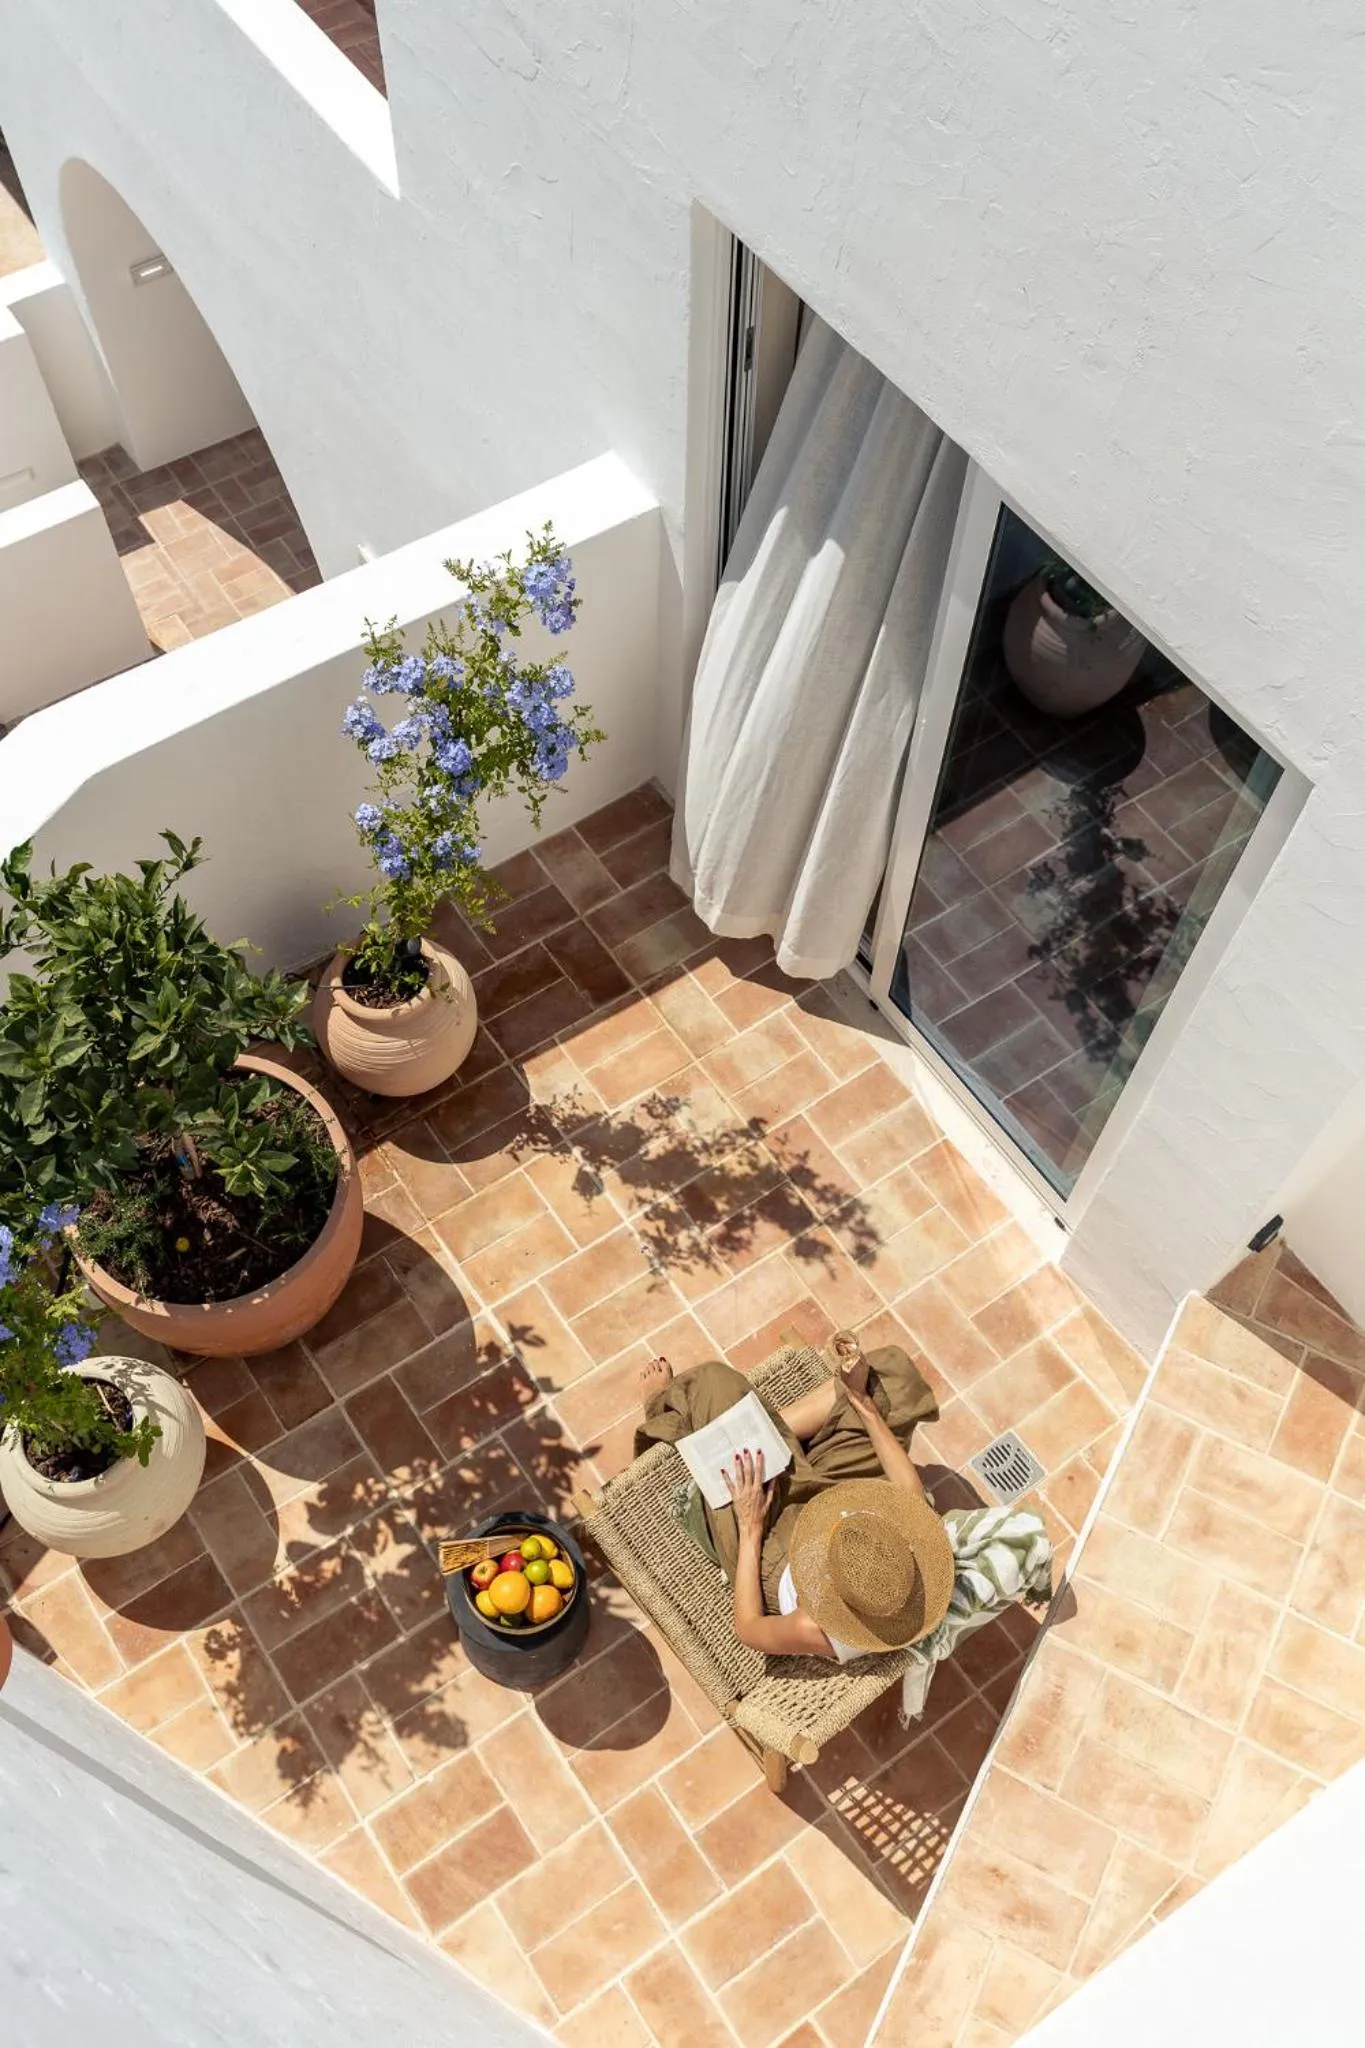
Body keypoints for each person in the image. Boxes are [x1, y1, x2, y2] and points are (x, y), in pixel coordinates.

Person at [635, 1330, 956, 1663]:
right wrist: (862, 1402)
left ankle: (668, 1406)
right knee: (893, 1377)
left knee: (712, 1383)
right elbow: (910, 1492)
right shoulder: (901, 1572)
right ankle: (772, 1434)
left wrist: (750, 1526)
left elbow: (749, 1628)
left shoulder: (817, 1628)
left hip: (773, 1547)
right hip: (835, 1503)